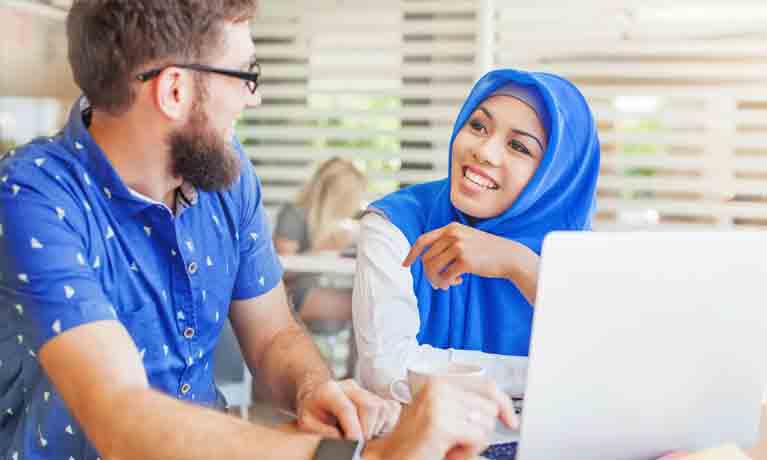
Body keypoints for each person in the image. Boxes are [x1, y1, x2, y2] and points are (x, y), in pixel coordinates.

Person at [0, 2, 517, 460]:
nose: (255, 99)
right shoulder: (32, 196)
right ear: (175, 90)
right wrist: (363, 456)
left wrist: (313, 388)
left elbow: (273, 336)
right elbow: (121, 422)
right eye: (246, 74)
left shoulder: (226, 175)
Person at [352, 68, 601, 399]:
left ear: (555, 179)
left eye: (519, 147)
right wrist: (544, 376)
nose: (484, 152)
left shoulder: (575, 252)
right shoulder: (395, 225)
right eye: (478, 126)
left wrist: (520, 265)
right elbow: (390, 372)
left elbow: (610, 367)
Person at [274, 157, 366, 323]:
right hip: (297, 293)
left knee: (369, 300)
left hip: (330, 284)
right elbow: (280, 272)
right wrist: (325, 250)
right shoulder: (294, 214)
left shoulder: (343, 224)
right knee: (367, 308)